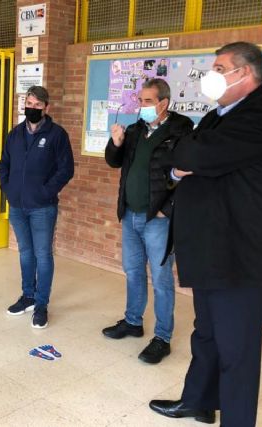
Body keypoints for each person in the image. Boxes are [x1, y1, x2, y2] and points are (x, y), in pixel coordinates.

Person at [149, 42, 262, 426]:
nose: (209, 76)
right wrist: (182, 162)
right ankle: (198, 401)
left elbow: (192, 154)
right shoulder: (218, 116)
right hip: (210, 249)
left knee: (237, 350)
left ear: (244, 72)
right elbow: (176, 153)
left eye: (218, 68)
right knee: (207, 334)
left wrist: (187, 157)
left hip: (237, 254)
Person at [102, 78, 194, 364]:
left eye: (147, 101)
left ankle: (162, 338)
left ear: (163, 103)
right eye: (140, 100)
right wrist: (116, 143)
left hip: (158, 219)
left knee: (161, 280)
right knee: (133, 272)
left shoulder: (181, 131)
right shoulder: (135, 129)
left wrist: (166, 209)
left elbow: (188, 174)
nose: (141, 106)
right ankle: (133, 321)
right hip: (130, 213)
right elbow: (114, 161)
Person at [0, 85, 74, 328]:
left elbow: (66, 170)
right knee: (25, 253)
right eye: (29, 104)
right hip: (17, 206)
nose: (32, 108)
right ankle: (28, 296)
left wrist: (45, 192)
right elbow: (4, 164)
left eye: (37, 105)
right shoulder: (15, 134)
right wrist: (8, 189)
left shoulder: (57, 135)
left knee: (43, 255)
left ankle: (41, 304)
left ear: (46, 108)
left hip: (42, 207)